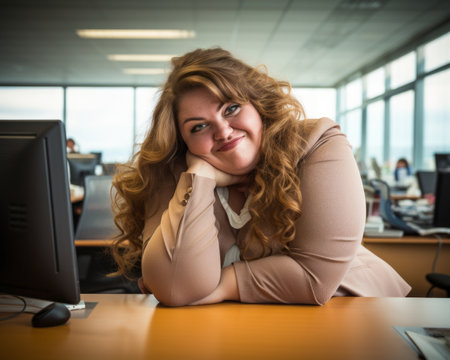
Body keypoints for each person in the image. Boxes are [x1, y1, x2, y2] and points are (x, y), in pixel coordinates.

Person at [111, 48, 411, 307]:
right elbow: (174, 287)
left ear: (257, 104)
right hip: (235, 328)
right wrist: (199, 178)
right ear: (183, 142)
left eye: (231, 108)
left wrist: (219, 287)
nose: (223, 131)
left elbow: (313, 279)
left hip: (358, 315)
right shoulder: (175, 171)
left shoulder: (316, 142)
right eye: (198, 127)